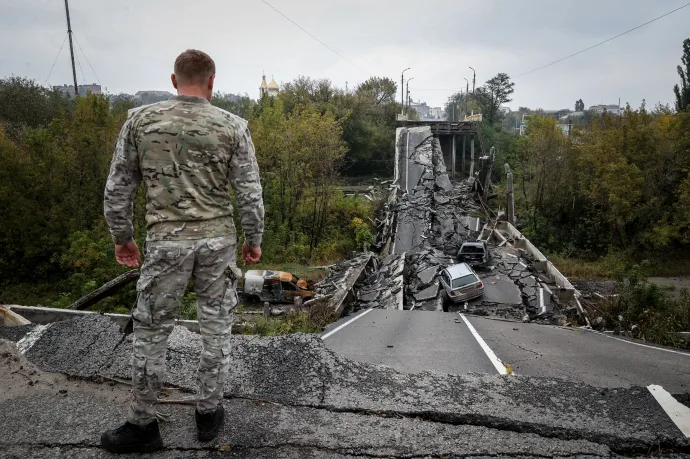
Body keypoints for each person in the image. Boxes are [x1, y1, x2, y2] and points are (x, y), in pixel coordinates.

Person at [101, 49, 264, 454]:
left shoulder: (140, 121)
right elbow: (248, 192)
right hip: (217, 242)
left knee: (152, 331)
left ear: (174, 81)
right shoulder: (233, 126)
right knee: (216, 327)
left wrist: (122, 236)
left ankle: (142, 425)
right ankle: (208, 413)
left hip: (165, 243)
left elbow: (118, 187)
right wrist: (253, 238)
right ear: (212, 82)